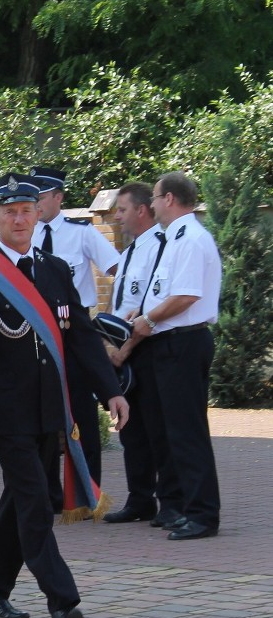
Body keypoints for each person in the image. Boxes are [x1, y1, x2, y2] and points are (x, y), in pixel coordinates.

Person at [0, 172, 128, 618]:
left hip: (52, 407)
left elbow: (81, 339)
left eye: (27, 210)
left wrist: (111, 390)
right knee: (33, 502)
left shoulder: (53, 269)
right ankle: (61, 600)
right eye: (10, 212)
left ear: (38, 212)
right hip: (4, 411)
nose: (20, 218)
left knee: (25, 498)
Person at [112, 172, 222, 540]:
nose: (154, 204)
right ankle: (185, 508)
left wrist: (147, 319)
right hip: (169, 342)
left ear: (170, 199)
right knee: (173, 433)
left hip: (183, 342)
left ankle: (202, 515)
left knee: (187, 433)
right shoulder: (175, 239)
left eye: (157, 198)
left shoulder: (189, 239)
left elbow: (185, 296)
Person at [31, 166, 121, 500]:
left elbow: (118, 270)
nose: (35, 204)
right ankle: (48, 492)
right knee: (42, 416)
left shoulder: (81, 233)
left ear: (58, 197)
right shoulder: (27, 235)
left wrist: (116, 316)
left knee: (81, 412)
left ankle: (85, 490)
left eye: (40, 197)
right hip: (35, 332)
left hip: (74, 330)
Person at [102, 182, 179, 525]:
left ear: (142, 210)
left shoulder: (158, 247)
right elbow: (118, 302)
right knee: (130, 427)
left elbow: (152, 305)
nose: (116, 217)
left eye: (122, 210)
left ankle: (171, 502)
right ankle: (140, 498)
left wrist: (127, 346)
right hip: (121, 349)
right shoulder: (131, 251)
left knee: (157, 428)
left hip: (146, 346)